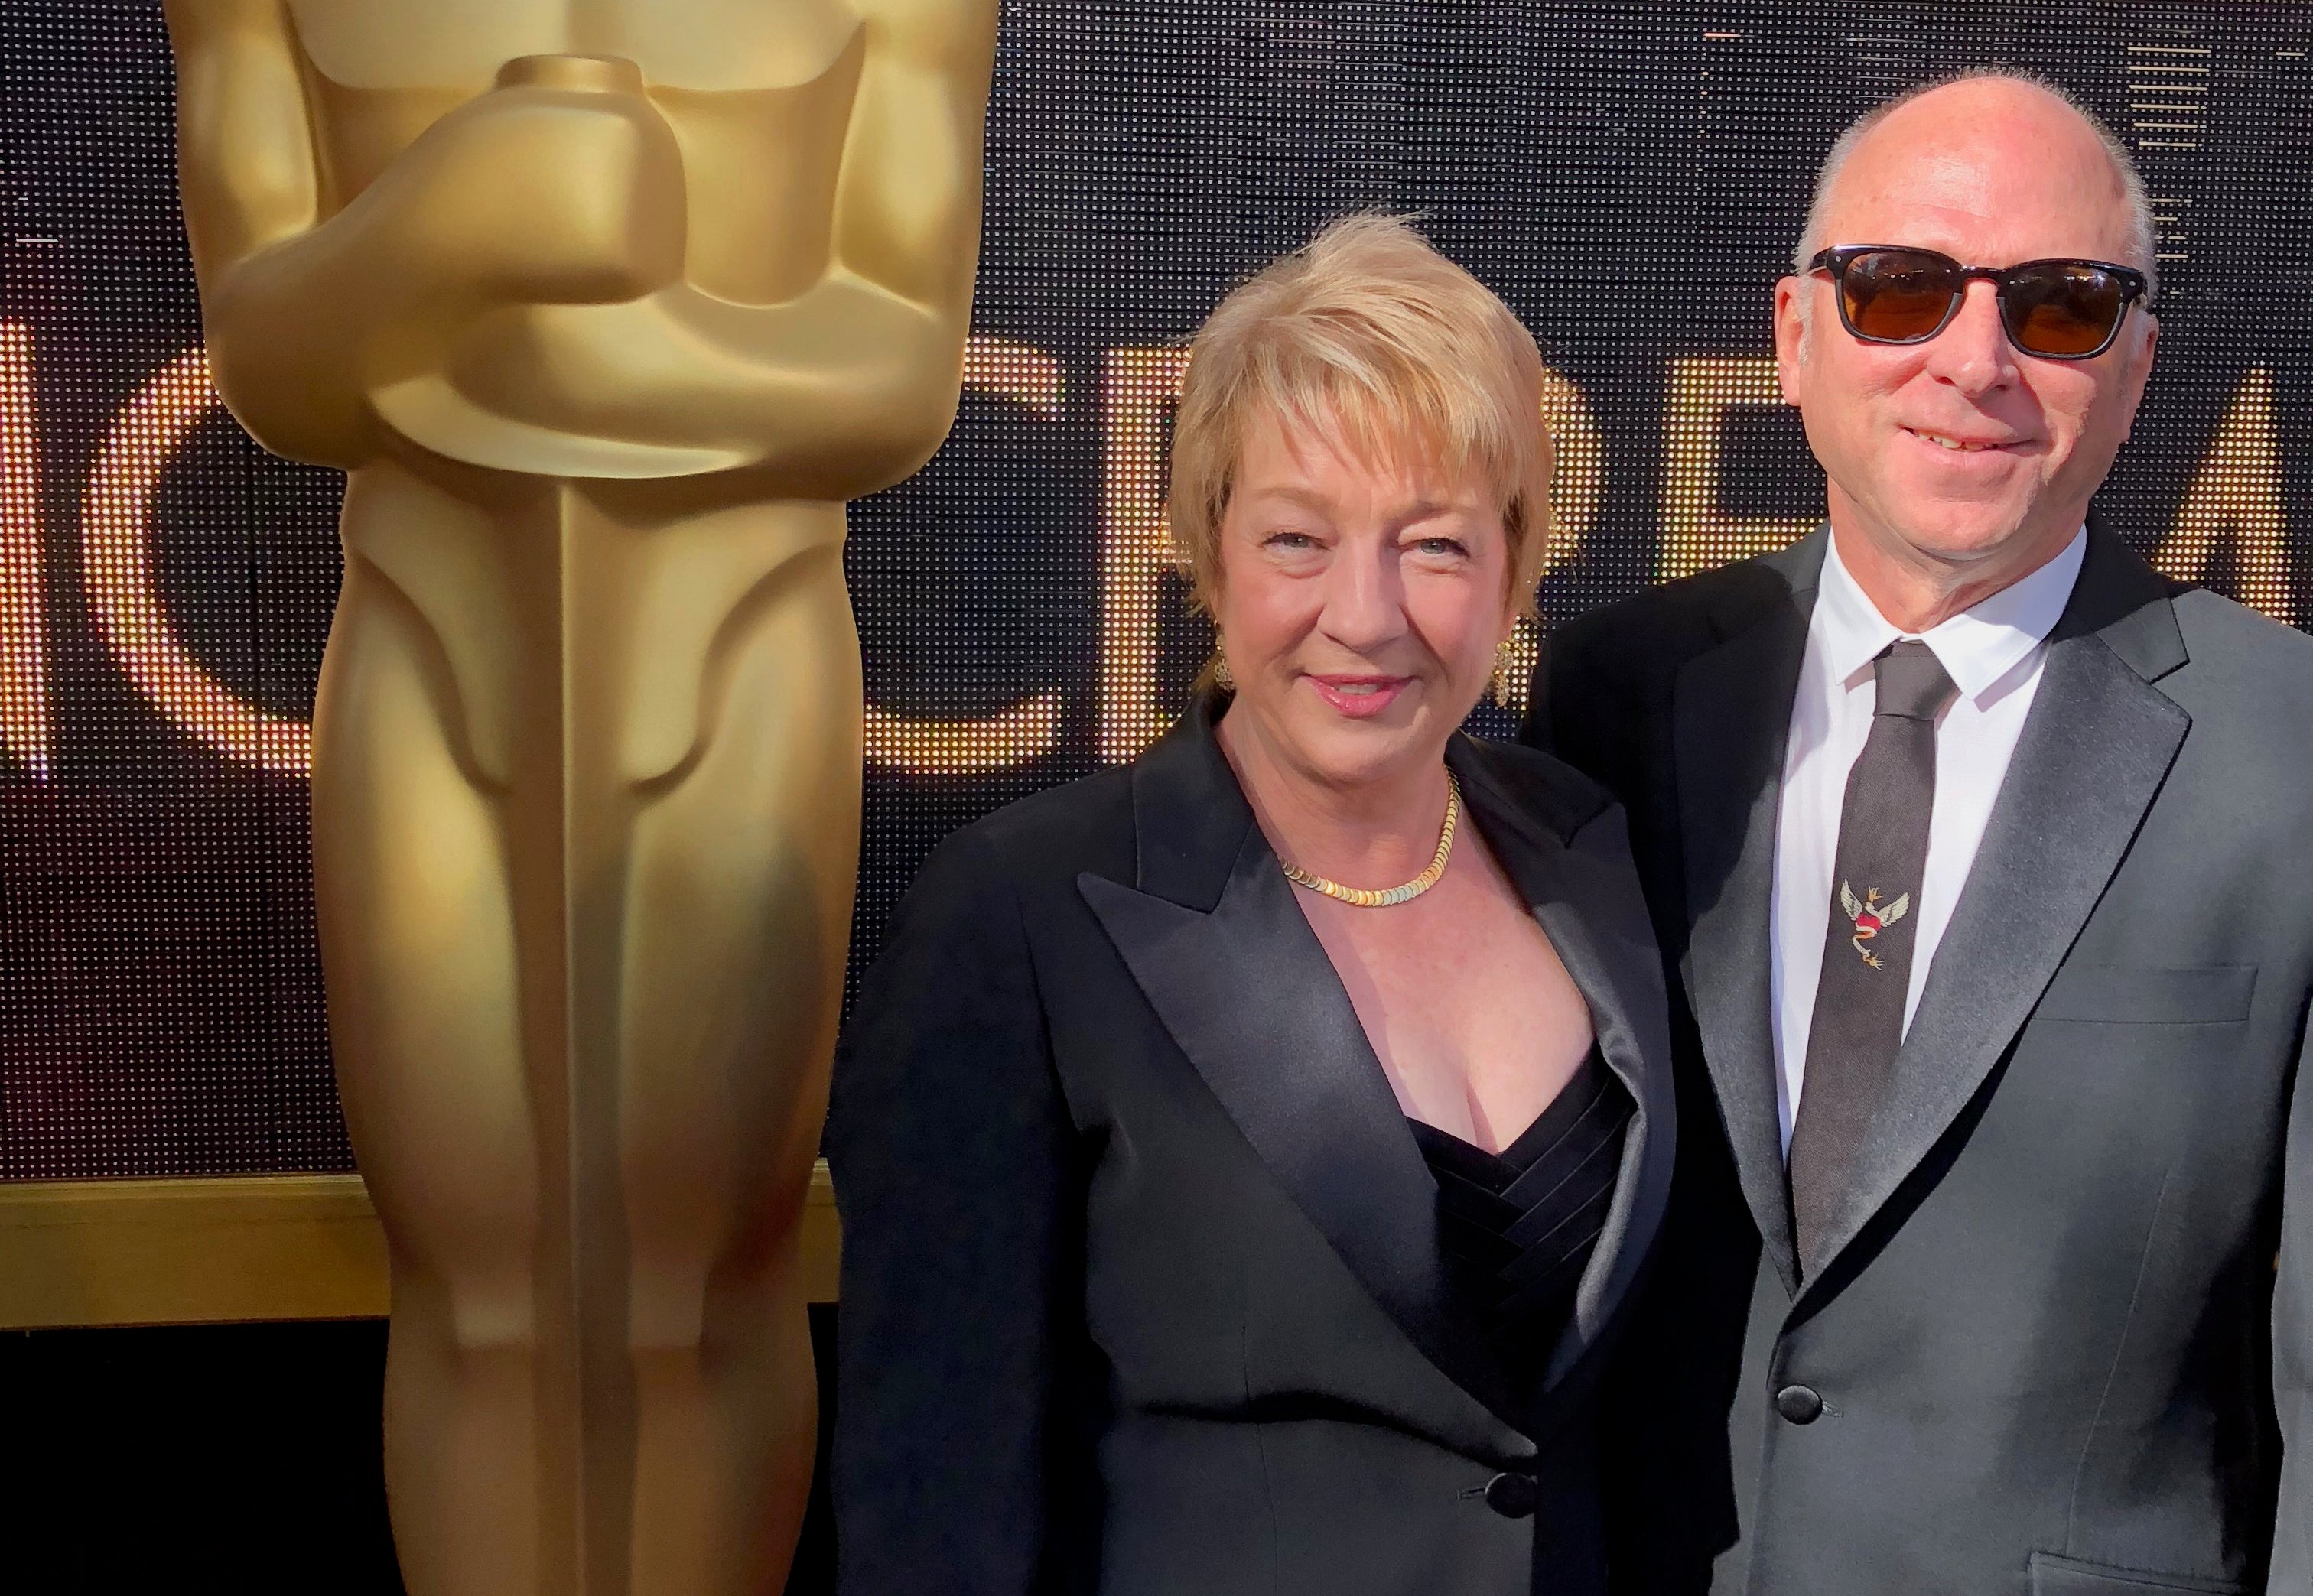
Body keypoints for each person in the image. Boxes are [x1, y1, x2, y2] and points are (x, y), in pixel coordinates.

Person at [1527, 73, 2313, 1594]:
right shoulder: (1618, 693)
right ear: (1793, 337)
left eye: (2063, 308)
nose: (1978, 361)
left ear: (2138, 369)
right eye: (1900, 291)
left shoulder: (2288, 750)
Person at [828, 214, 1674, 1594]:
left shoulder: (1589, 850)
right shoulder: (1027, 915)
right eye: (1298, 538)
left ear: (1517, 568)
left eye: (1436, 546)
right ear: (1205, 551)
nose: (1365, 613)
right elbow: (937, 1485)